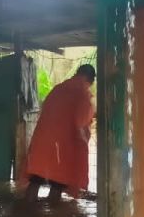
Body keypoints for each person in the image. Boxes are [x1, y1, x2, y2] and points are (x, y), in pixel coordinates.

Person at [24, 64, 96, 201]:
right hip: (61, 148)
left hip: (42, 142)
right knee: (58, 183)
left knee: (35, 180)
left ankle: (26, 214)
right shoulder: (82, 93)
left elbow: (44, 110)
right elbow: (80, 122)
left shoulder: (58, 88)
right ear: (90, 80)